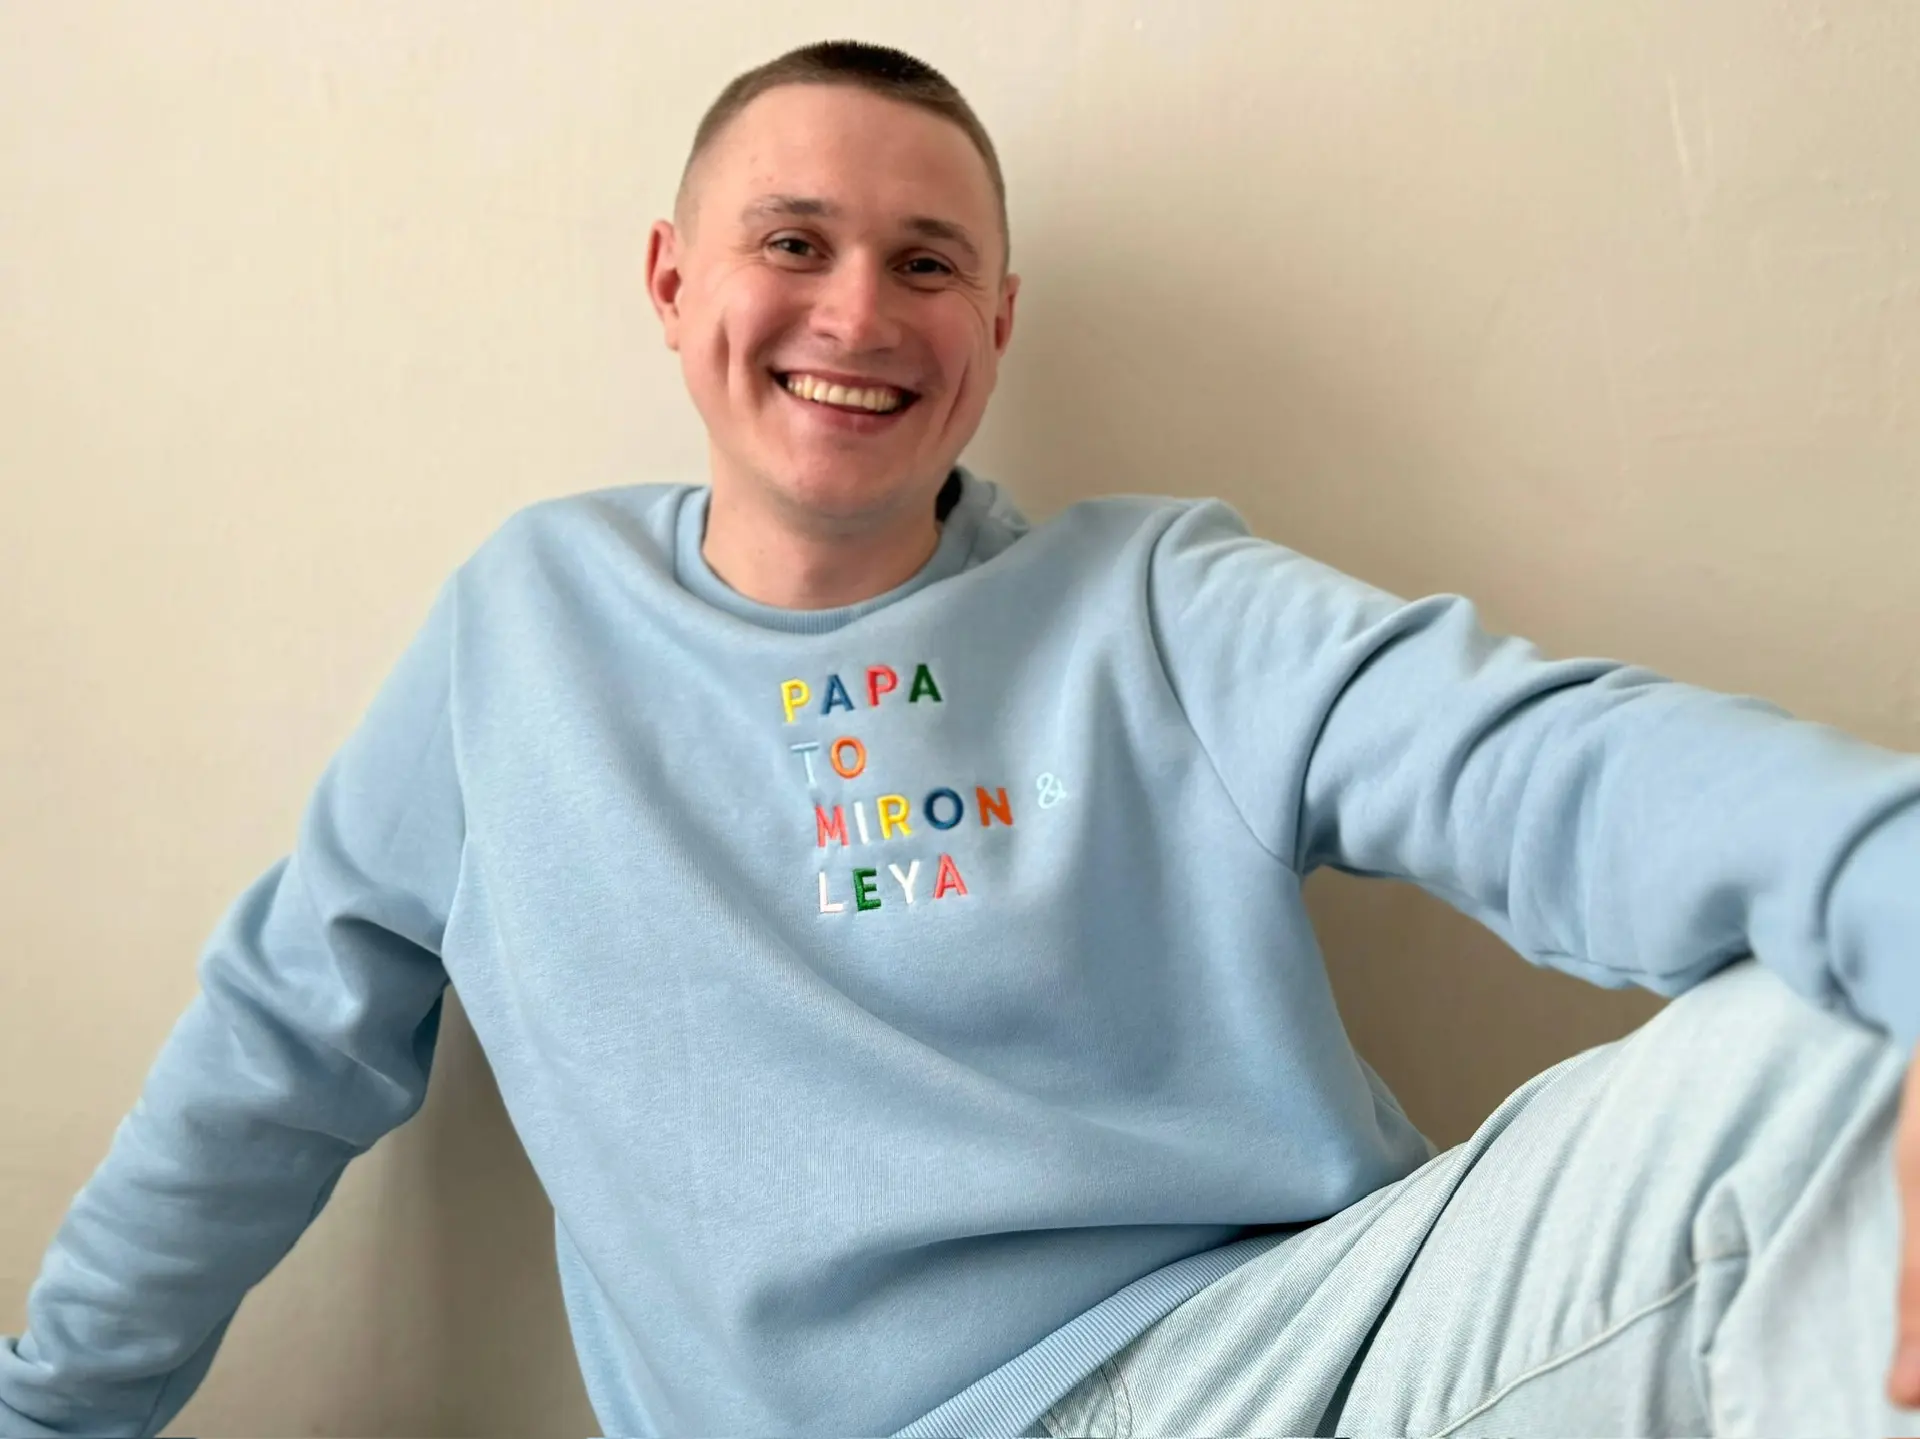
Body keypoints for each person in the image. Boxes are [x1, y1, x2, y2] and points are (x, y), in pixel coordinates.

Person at [4, 38, 1918, 1438]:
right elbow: (270, 1056)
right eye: (795, 241)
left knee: (1839, 1056)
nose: (858, 311)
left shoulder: (1155, 600)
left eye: (926, 263)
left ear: (994, 325)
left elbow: (1544, 763)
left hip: (1292, 1366)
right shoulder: (521, 634)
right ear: (672, 282)